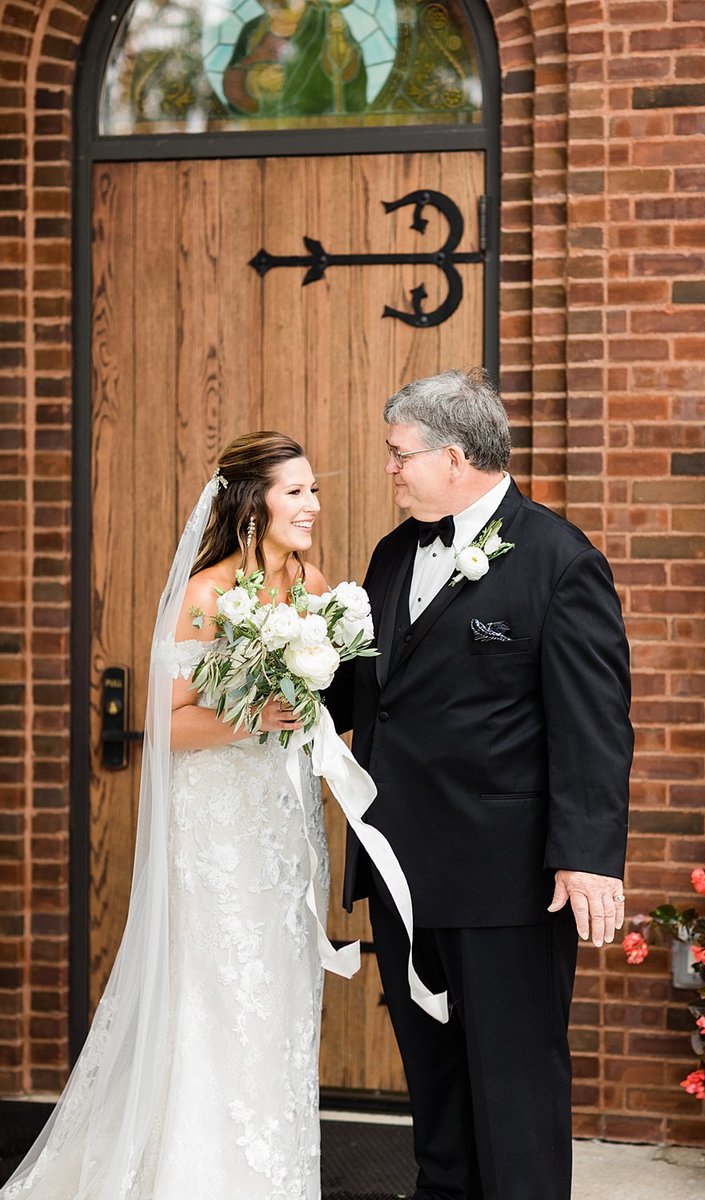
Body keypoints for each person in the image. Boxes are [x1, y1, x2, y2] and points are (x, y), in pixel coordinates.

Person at [325, 370, 634, 1200]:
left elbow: (593, 724)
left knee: (515, 1086)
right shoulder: (393, 552)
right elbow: (374, 691)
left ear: (454, 456)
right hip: (402, 870)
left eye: (400, 454)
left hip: (507, 881)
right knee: (434, 1086)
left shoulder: (560, 561)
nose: (389, 468)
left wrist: (588, 856)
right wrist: (287, 671)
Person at [3, 432, 333, 1200]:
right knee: (217, 992)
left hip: (283, 822)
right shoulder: (205, 594)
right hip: (216, 825)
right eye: (296, 492)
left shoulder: (312, 584)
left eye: (314, 490)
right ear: (254, 504)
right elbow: (168, 725)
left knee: (280, 993)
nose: (313, 505)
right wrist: (260, 718)